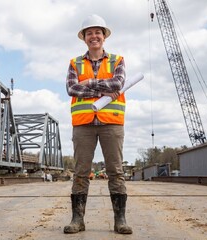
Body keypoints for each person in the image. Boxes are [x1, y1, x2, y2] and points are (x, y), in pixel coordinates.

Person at [63, 14, 132, 235]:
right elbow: (72, 88)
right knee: (81, 172)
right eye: (89, 33)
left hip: (111, 123)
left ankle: (120, 221)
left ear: (104, 36)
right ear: (84, 38)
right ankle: (77, 220)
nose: (94, 36)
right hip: (83, 124)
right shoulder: (75, 63)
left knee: (116, 171)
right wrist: (103, 89)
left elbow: (118, 83)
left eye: (98, 32)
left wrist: (89, 85)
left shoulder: (117, 60)